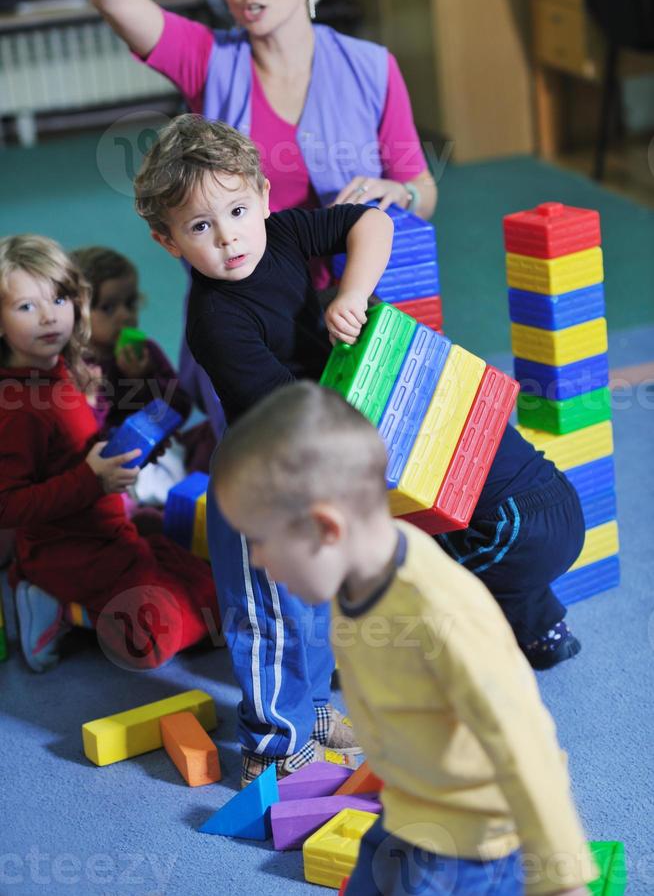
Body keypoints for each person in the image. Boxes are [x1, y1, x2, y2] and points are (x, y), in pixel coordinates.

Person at [212, 381, 596, 896]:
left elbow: (526, 747)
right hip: (407, 808)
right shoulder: (358, 578)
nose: (257, 561)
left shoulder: (440, 614)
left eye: (261, 542)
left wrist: (564, 878)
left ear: (326, 529)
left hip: (471, 848)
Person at [79, 0, 437, 434]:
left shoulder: (372, 66)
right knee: (277, 460)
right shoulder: (209, 59)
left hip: (355, 311)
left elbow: (422, 192)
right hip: (249, 318)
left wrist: (399, 191)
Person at [134, 112, 394, 783]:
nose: (228, 237)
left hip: (310, 453)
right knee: (269, 615)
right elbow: (290, 414)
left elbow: (371, 221)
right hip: (264, 478)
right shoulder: (216, 322)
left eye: (238, 210)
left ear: (264, 197)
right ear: (169, 243)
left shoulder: (280, 235)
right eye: (200, 227)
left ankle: (305, 713)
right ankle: (272, 746)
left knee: (311, 607)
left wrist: (352, 292)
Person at [0, 234, 220, 673]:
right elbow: (8, 504)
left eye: (59, 299)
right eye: (27, 307)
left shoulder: (67, 369)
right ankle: (58, 604)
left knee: (219, 589)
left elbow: (146, 417)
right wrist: (91, 479)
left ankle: (62, 591)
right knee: (158, 640)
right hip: (72, 551)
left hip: (110, 528)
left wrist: (132, 388)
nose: (49, 317)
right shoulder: (16, 407)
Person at [71, 246, 216, 493]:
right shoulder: (73, 363)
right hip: (105, 459)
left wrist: (142, 379)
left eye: (131, 303)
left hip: (154, 450)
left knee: (212, 440)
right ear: (76, 311)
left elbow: (180, 406)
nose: (125, 316)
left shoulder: (146, 351)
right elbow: (78, 431)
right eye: (108, 308)